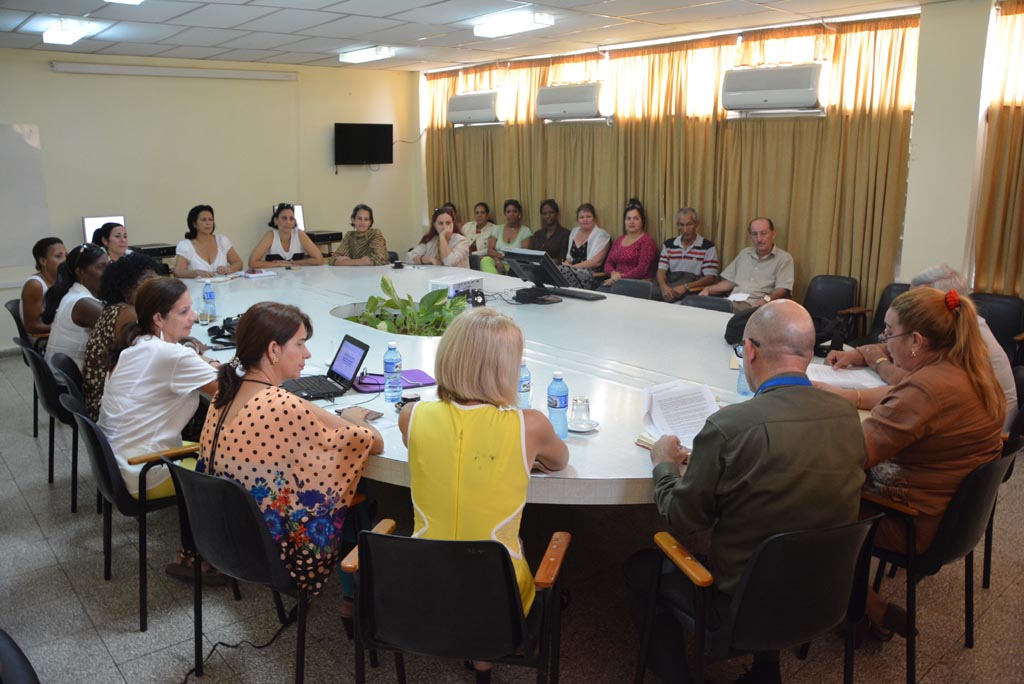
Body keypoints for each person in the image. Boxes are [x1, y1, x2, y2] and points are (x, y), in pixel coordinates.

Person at [624, 300, 866, 684]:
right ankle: (765, 670)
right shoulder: (846, 416)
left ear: (750, 350)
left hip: (739, 606)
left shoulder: (729, 427)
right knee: (779, 524)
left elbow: (682, 519)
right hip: (824, 593)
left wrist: (664, 464)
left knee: (642, 566)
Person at [399, 307, 569, 678]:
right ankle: (484, 653)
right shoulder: (531, 425)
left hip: (423, 581)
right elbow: (559, 461)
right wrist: (528, 457)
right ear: (506, 368)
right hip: (501, 599)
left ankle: (467, 642)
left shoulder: (411, 415)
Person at [828, 288, 1004, 640]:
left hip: (910, 522)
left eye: (889, 334)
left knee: (800, 508)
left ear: (916, 341)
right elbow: (907, 392)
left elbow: (852, 456)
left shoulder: (927, 389)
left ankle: (861, 607)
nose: (885, 342)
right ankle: (858, 602)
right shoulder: (971, 370)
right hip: (954, 518)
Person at [196, 301, 383, 597]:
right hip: (270, 552)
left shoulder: (226, 393)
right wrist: (352, 417)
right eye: (300, 344)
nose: (307, 353)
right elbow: (370, 441)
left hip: (223, 539)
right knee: (349, 490)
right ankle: (353, 599)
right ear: (273, 350)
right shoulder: (282, 406)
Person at [823, 264, 1017, 430]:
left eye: (917, 300)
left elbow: (911, 385)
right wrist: (860, 354)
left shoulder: (961, 334)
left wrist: (877, 362)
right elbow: (901, 342)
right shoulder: (957, 322)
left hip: (986, 428)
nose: (910, 309)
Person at [99, 277, 219, 501]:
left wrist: (207, 362)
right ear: (158, 318)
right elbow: (231, 392)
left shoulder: (136, 343)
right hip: (145, 471)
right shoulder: (169, 355)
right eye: (184, 312)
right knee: (239, 462)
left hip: (118, 464)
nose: (193, 317)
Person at [82, 253, 161, 421]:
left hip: (104, 398)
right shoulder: (129, 314)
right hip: (112, 408)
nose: (156, 286)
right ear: (127, 288)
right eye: (148, 281)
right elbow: (154, 355)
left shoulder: (114, 309)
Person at [698, 218, 794, 312]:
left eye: (763, 234)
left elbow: (782, 289)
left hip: (756, 306)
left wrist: (766, 299)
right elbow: (730, 282)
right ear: (750, 237)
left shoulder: (784, 258)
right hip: (731, 301)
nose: (759, 239)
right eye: (754, 234)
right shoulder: (745, 253)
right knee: (691, 301)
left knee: (704, 305)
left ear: (773, 234)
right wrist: (708, 289)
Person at [42, 243, 109, 368]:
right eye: (101, 267)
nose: (109, 272)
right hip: (69, 384)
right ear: (80, 272)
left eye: (109, 266)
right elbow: (123, 334)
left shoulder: (74, 293)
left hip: (61, 379)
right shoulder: (83, 303)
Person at [656, 208, 719, 302]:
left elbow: (710, 278)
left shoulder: (707, 247)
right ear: (678, 226)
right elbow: (661, 270)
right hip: (670, 287)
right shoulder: (669, 244)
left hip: (692, 291)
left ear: (697, 224)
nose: (685, 230)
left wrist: (686, 286)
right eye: (682, 225)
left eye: (689, 224)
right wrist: (663, 286)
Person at [600, 200, 658, 290]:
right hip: (616, 281)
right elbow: (608, 263)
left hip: (638, 284)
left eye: (636, 218)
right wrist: (613, 273)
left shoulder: (647, 241)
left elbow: (642, 269)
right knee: (599, 294)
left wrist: (619, 278)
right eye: (628, 218)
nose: (631, 222)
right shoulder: (619, 240)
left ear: (642, 221)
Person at [173, 204, 244, 278]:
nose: (208, 223)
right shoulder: (186, 245)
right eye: (204, 220)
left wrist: (228, 269)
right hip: (197, 288)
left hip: (223, 288)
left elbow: (238, 263)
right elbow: (178, 272)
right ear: (194, 224)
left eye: (210, 219)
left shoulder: (222, 240)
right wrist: (196, 273)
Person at [248, 203, 324, 268]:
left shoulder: (299, 234)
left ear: (294, 222)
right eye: (284, 218)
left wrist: (292, 263)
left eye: (291, 219)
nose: (288, 222)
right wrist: (278, 264)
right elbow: (252, 263)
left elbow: (319, 260)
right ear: (276, 220)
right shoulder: (271, 235)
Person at [21, 237, 66, 338]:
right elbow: (31, 326)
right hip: (41, 338)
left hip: (55, 333)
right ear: (43, 261)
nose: (65, 260)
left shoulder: (61, 280)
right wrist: (66, 328)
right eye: (59, 256)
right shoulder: (35, 285)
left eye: (66, 255)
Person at [559, 203, 611, 289]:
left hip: (591, 275)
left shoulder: (602, 235)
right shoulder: (574, 232)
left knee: (561, 272)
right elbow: (569, 256)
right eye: (582, 217)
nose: (585, 220)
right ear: (578, 219)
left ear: (594, 218)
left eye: (588, 216)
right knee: (555, 271)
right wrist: (567, 263)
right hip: (571, 270)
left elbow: (596, 262)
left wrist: (572, 268)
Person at [482, 199, 532, 274]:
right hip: (497, 262)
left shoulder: (525, 231)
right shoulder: (497, 229)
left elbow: (524, 254)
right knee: (485, 260)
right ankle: (497, 283)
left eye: (514, 211)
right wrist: (498, 261)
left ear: (519, 214)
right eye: (508, 212)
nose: (511, 214)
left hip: (515, 265)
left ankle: (499, 282)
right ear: (505, 214)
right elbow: (490, 250)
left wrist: (506, 257)